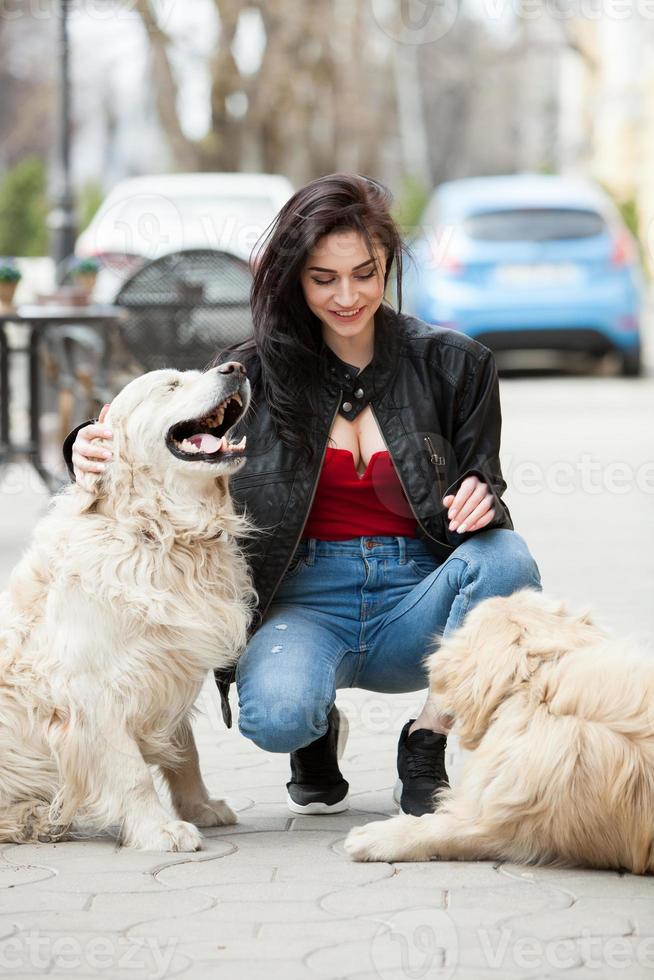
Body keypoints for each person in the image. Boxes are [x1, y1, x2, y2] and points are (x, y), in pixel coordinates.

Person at [66, 173, 542, 819]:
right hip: (305, 601)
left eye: (365, 274)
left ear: (387, 264)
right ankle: (314, 727)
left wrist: (483, 495)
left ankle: (427, 740)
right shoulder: (251, 372)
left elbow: (485, 478)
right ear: (295, 279)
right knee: (277, 717)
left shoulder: (457, 365)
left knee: (509, 559)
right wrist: (83, 442)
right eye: (324, 279)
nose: (347, 296)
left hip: (418, 597)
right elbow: (159, 428)